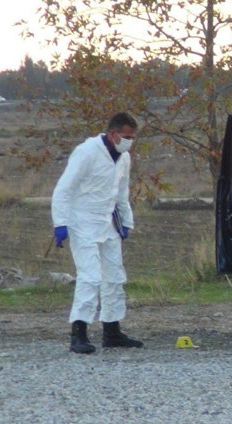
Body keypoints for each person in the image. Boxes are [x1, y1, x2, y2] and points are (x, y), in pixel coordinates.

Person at [52, 112, 143, 354]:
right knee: (90, 277)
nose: (130, 141)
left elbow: (121, 193)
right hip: (82, 223)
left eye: (133, 137)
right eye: (126, 136)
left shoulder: (123, 158)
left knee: (114, 277)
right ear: (113, 134)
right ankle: (78, 333)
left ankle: (112, 332)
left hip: (108, 223)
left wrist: (126, 221)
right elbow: (64, 188)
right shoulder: (87, 152)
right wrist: (60, 223)